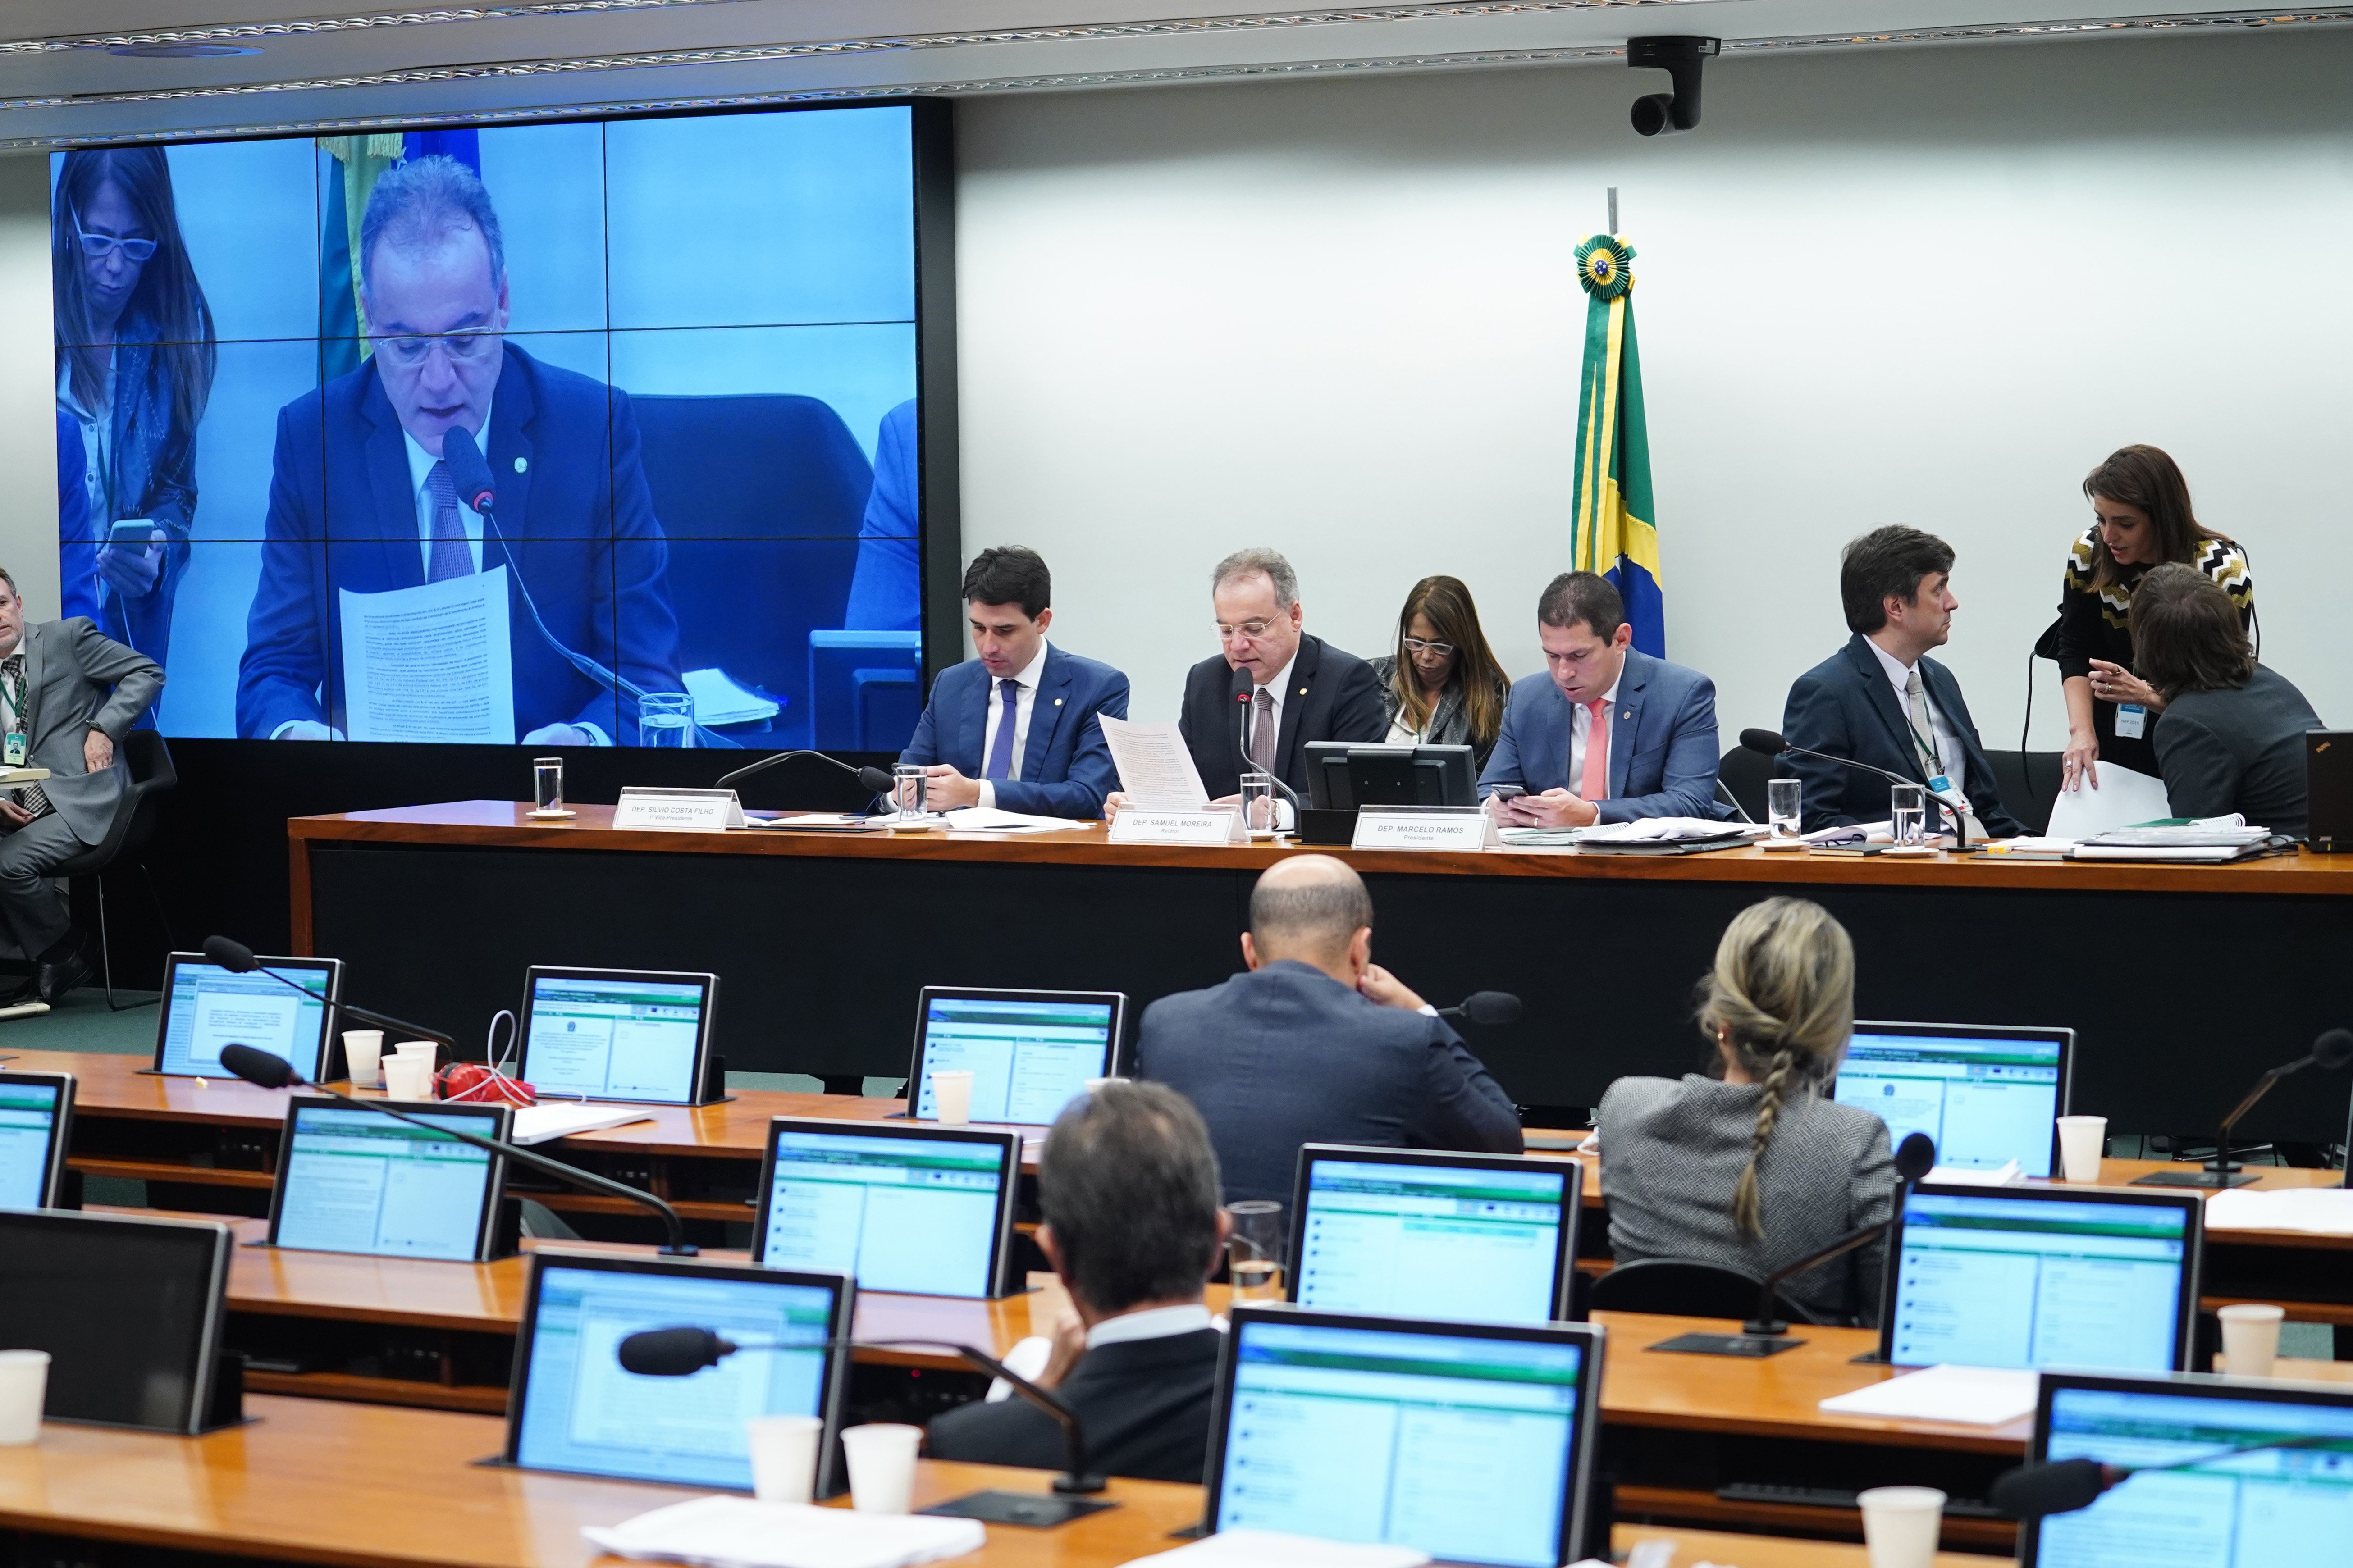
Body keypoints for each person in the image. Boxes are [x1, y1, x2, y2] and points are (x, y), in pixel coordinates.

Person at [237, 155, 681, 743]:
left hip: (546, 811)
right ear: (369, 319)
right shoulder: (314, 442)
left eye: (465, 340)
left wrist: (584, 745)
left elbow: (648, 677)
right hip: (376, 815)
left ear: (503, 302)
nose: (440, 381)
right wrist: (298, 741)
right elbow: (273, 672)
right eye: (409, 347)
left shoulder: (589, 431)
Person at [1136, 855, 1522, 1204]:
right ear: (1360, 949)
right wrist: (1420, 1012)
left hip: (1189, 1277)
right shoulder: (1403, 1039)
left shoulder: (1166, 1023)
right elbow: (1500, 1145)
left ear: (1249, 950)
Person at [1594, 897, 1896, 1327]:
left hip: (1643, 1383)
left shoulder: (1626, 1107)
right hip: (1795, 1390)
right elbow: (1884, 1321)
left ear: (1719, 1017)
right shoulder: (1854, 1142)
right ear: (1832, 1027)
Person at [926, 1081, 1227, 1483]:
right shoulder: (1312, 1420)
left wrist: (1039, 1389)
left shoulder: (970, 1449)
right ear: (1218, 1240)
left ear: (1056, 1258)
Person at [51, 147, 215, 675]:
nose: (117, 266)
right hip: (22, 621)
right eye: (99, 239)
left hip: (119, 643)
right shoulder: (21, 312)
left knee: (111, 758)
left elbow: (176, 492)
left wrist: (158, 554)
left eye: (137, 242)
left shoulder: (173, 329)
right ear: (69, 222)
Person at [1779, 527, 2023, 839]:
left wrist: (2038, 848)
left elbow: (1982, 807)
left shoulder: (1939, 679)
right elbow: (1814, 821)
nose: (1952, 603)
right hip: (1896, 873)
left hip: (1975, 858)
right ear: (1895, 607)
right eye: (1938, 590)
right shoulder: (1826, 692)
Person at [1109, 548, 1383, 814]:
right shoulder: (1205, 682)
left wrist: (1276, 812)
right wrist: (1138, 801)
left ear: (1295, 617)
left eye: (1254, 629)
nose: (1238, 646)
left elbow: (1358, 792)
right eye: (1226, 630)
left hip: (1310, 854)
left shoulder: (1345, 681)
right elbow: (1183, 781)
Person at [0, 568, 164, 1003]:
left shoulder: (67, 639)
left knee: (6, 863)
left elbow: (146, 673)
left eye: (1, 603)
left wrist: (104, 728)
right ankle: (52, 953)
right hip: (22, 804)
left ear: (19, 603)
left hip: (85, 798)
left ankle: (67, 950)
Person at [2054, 445, 2253, 791]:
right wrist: (2081, 732)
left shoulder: (2221, 569)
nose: (2107, 536)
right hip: (2114, 737)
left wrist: (2147, 695)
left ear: (2162, 518)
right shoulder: (2089, 553)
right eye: (2101, 519)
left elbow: (2226, 693)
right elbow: (2074, 649)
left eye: (2125, 524)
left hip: (2197, 737)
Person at [896, 547, 1129, 818]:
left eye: (1005, 631)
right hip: (954, 852)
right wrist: (898, 796)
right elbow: (909, 777)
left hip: (1050, 853)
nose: (988, 647)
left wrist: (976, 794)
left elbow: (1088, 796)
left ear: (1042, 621)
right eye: (979, 628)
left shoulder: (1098, 688)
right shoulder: (952, 684)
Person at [1477, 571, 1725, 825]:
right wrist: (1496, 809)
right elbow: (1487, 792)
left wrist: (1592, 815)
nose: (1564, 673)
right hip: (1546, 857)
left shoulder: (1683, 695)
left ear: (1621, 640)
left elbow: (1690, 803)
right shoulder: (1528, 698)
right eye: (1552, 656)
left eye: (1579, 656)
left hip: (1645, 860)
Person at [2130, 564, 2321, 839]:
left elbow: (2197, 846)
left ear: (2149, 647)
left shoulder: (2185, 725)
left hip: (2284, 871)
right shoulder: (2270, 682)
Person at [1366, 574, 1512, 773]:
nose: (1426, 656)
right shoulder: (1373, 677)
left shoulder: (1489, 694)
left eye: (1440, 645)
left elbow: (1486, 785)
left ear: (1462, 642)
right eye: (1416, 643)